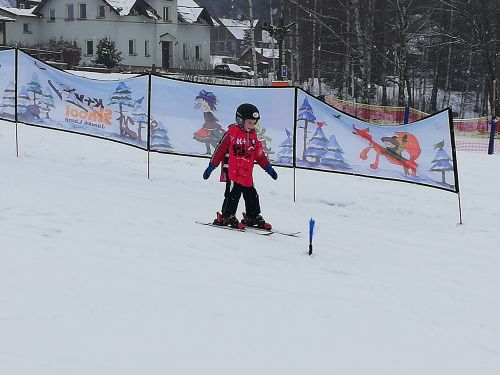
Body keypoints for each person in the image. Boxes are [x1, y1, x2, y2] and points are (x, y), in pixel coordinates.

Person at [202, 103, 278, 230]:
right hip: (233, 173)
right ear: (240, 120)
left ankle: (252, 216)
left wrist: (268, 168)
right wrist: (211, 166)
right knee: (232, 195)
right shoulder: (232, 132)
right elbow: (220, 150)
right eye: (249, 122)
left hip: (247, 174)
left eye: (254, 123)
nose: (252, 126)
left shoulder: (254, 137)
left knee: (252, 196)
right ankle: (227, 215)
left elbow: (260, 155)